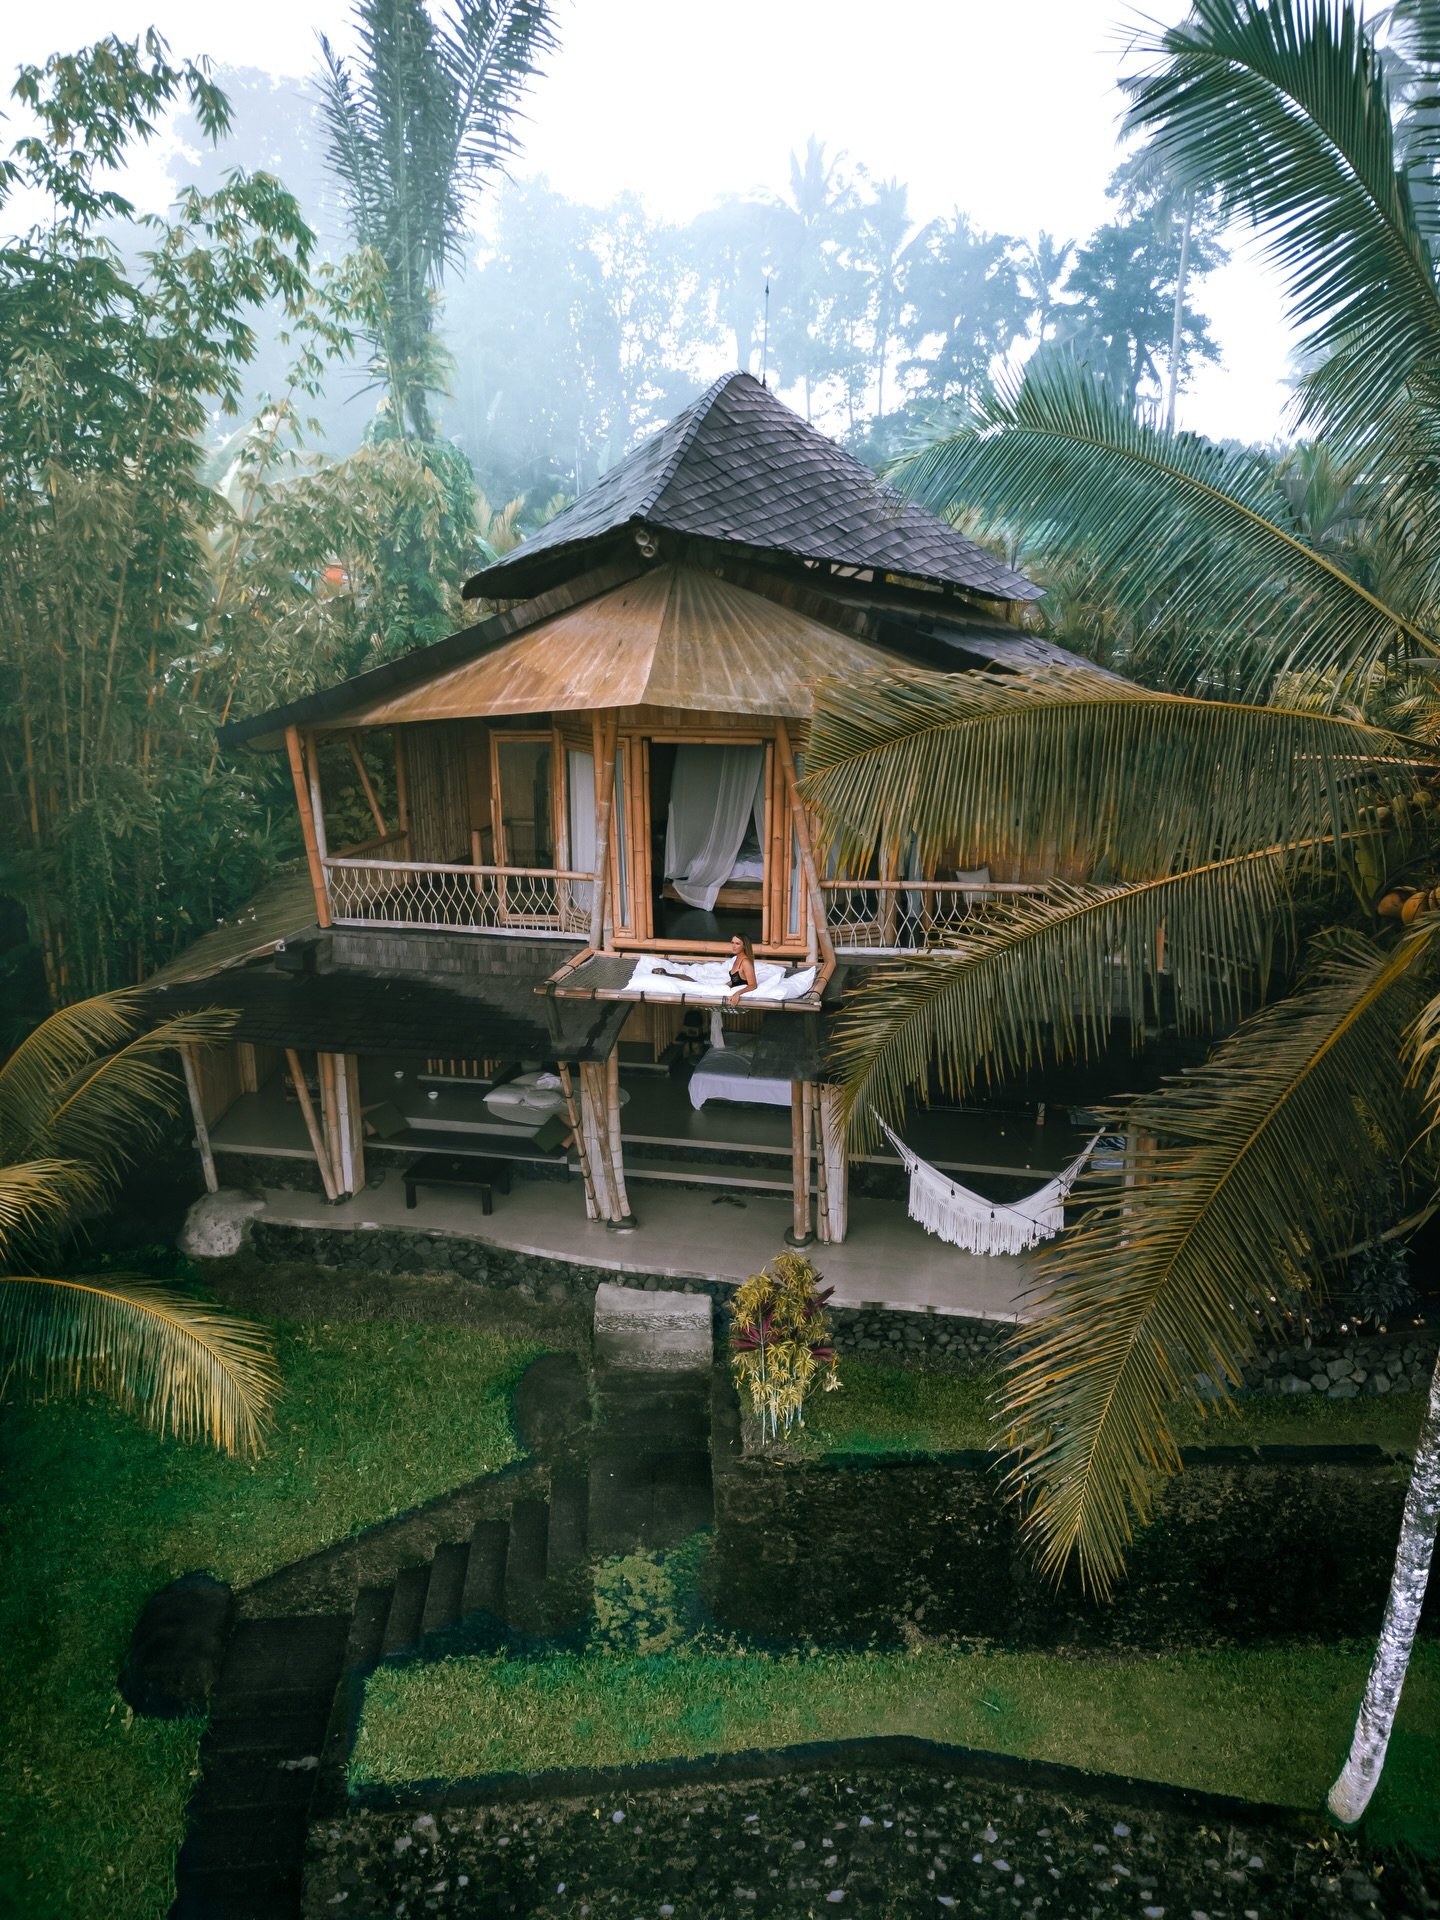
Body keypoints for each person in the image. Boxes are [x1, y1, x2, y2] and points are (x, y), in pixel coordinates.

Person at [727, 932, 758, 1005]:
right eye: (732, 943)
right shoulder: (736, 959)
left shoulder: (745, 962)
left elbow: (753, 985)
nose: (734, 946)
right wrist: (724, 986)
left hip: (742, 1001)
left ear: (744, 946)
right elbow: (736, 981)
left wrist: (738, 993)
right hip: (730, 993)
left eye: (737, 944)